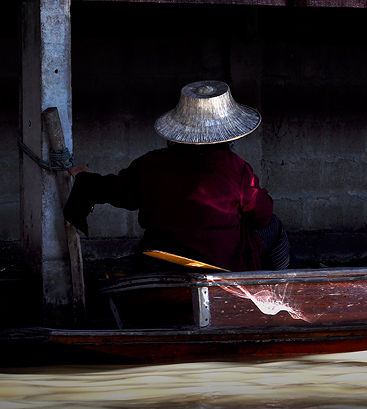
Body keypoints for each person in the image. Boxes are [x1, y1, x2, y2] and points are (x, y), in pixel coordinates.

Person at [64, 80, 291, 272]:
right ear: (226, 135)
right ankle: (280, 296)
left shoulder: (150, 163)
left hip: (159, 262)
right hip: (222, 264)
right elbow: (263, 215)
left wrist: (85, 176)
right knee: (274, 225)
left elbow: (115, 191)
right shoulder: (235, 167)